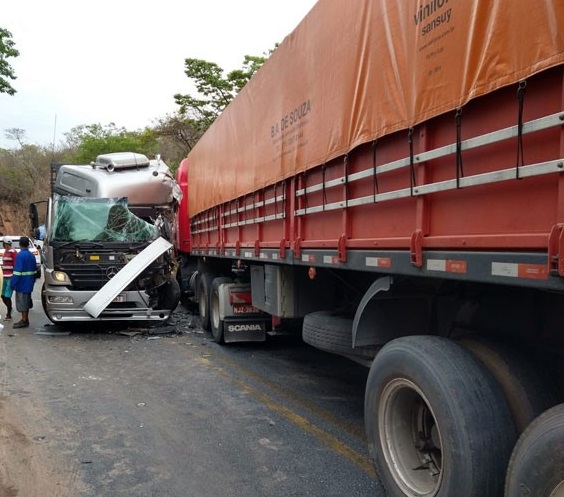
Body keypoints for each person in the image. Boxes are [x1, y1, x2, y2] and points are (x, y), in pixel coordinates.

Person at [10, 236, 37, 329]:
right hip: (29, 282)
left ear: (20, 244)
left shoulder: (20, 255)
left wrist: (13, 284)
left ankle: (24, 320)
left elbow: (17, 272)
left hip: (22, 283)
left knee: (22, 302)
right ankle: (26, 319)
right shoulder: (31, 255)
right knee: (26, 300)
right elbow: (35, 270)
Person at [1, 236, 17, 321]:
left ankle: (9, 314)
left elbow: (15, 264)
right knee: (2, 295)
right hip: (4, 277)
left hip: (10, 277)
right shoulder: (5, 252)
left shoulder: (13, 252)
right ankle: (9, 309)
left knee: (7, 296)